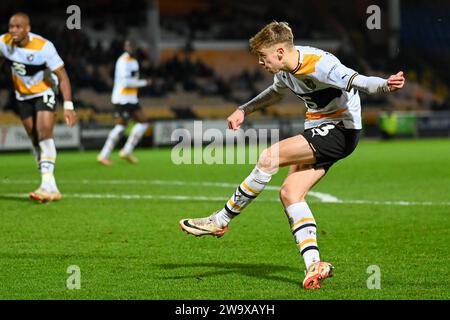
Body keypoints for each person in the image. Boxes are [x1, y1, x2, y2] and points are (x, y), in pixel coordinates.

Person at [179, 22, 405, 289]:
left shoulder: (321, 64)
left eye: (263, 57)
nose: (261, 62)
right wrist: (244, 109)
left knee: (269, 157)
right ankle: (314, 265)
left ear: (280, 52)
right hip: (320, 128)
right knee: (290, 193)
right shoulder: (285, 71)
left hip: (341, 130)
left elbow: (360, 81)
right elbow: (274, 93)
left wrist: (386, 85)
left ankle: (220, 220)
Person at [0, 12, 77, 203]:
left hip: (45, 92)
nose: (14, 30)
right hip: (22, 96)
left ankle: (45, 185)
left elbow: (63, 77)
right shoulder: (3, 42)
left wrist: (68, 106)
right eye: (11, 26)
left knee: (44, 134)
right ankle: (52, 187)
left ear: (28, 29)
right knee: (35, 140)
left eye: (18, 27)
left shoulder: (44, 47)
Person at [97, 39, 151, 165]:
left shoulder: (134, 61)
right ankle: (103, 155)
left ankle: (127, 150)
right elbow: (126, 83)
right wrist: (145, 83)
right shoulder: (123, 61)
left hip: (131, 99)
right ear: (126, 48)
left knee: (143, 123)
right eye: (129, 47)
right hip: (122, 99)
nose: (132, 49)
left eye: (133, 47)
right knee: (121, 127)